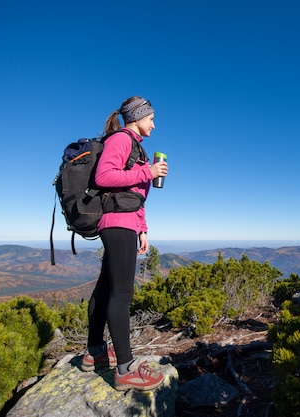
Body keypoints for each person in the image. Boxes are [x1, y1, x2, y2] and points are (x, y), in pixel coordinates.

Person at [80, 96, 168, 391]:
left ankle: (94, 353)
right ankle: (126, 369)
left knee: (106, 288)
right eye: (151, 118)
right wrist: (148, 172)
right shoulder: (121, 139)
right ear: (137, 117)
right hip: (117, 223)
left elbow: (135, 195)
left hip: (126, 223)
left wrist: (142, 229)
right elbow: (103, 176)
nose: (154, 124)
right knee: (122, 294)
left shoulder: (136, 146)